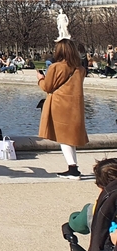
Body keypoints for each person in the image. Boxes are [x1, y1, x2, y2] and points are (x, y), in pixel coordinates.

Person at [38, 39, 88, 179]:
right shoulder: (80, 69)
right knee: (69, 138)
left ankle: (73, 169)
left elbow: (47, 87)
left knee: (64, 138)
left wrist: (40, 78)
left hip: (60, 105)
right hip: (75, 106)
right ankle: (73, 167)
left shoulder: (56, 67)